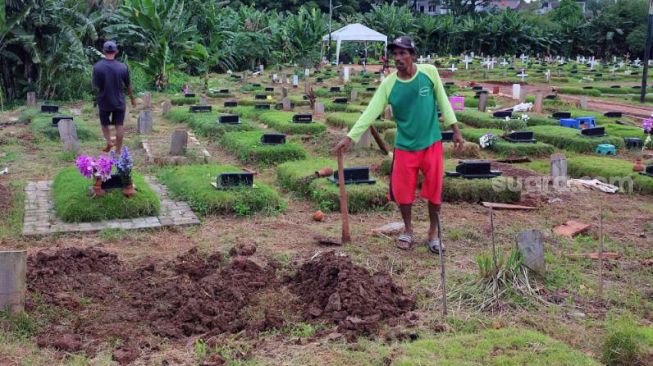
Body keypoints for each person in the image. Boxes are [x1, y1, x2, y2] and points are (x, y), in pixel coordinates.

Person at [333, 36, 464, 252]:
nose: (398, 58)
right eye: (395, 54)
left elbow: (443, 100)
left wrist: (455, 131)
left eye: (403, 53)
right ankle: (408, 230)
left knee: (434, 191)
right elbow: (371, 112)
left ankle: (433, 232)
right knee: (403, 193)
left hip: (431, 142)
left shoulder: (429, 72)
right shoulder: (389, 84)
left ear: (413, 55)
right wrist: (350, 138)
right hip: (404, 146)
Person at [92, 40, 136, 153]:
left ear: (103, 51)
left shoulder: (97, 67)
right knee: (119, 126)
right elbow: (128, 85)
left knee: (104, 125)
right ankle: (118, 151)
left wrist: (96, 99)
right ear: (116, 52)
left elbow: (96, 87)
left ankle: (109, 142)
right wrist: (132, 99)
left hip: (104, 101)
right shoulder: (123, 67)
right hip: (119, 101)